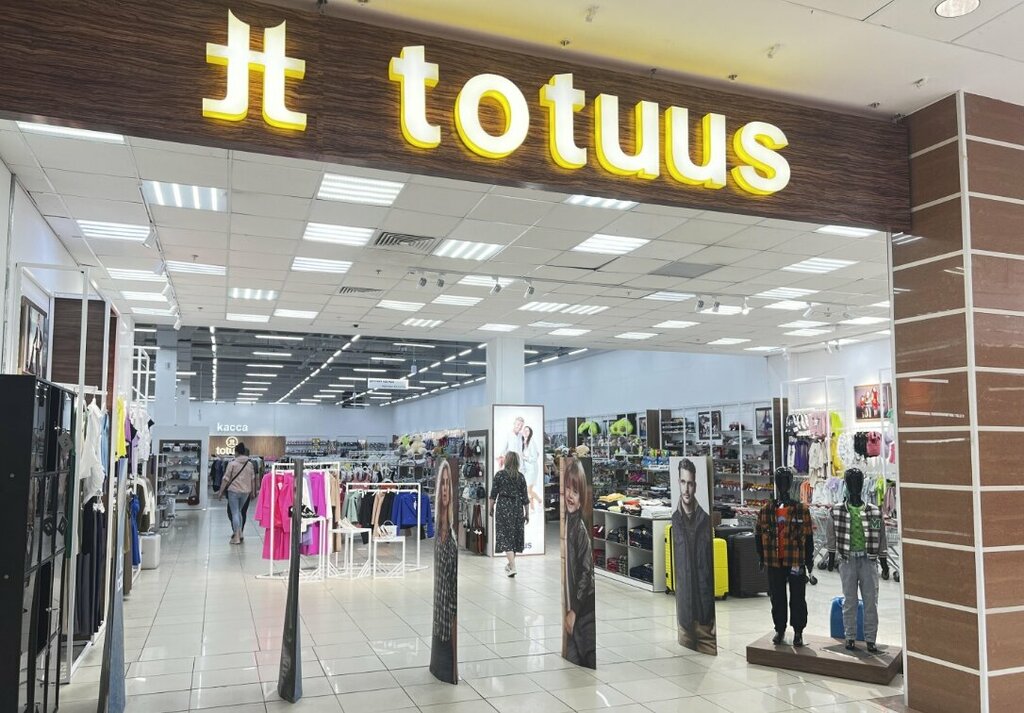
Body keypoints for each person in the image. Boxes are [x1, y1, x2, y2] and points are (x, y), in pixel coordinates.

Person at [672, 458, 716, 654]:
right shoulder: (675, 520)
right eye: (683, 482)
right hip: (684, 619)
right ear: (678, 483)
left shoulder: (705, 520)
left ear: (695, 486)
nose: (686, 489)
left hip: (705, 620)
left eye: (690, 483)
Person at [562, 458, 595, 668]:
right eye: (567, 489)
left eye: (575, 492)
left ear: (582, 498)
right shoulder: (568, 522)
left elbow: (586, 571)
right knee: (575, 653)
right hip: (577, 607)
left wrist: (574, 609)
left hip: (584, 610)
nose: (570, 495)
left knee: (586, 652)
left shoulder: (579, 530)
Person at [430, 460, 458, 683]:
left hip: (448, 632)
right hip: (438, 628)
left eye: (449, 483)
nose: (446, 488)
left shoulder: (452, 538)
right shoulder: (439, 530)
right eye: (443, 483)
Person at [489, 451, 529, 577]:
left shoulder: (500, 475)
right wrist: (527, 513)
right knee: (514, 536)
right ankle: (510, 565)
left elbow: (493, 494)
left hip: (503, 506)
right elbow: (525, 497)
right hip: (517, 507)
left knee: (505, 536)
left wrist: (491, 507)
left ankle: (513, 566)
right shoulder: (520, 477)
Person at [217, 441, 255, 545]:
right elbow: (252, 479)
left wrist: (220, 492)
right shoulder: (250, 464)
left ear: (237, 452)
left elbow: (226, 479)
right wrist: (253, 491)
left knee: (234, 513)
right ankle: (241, 533)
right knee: (239, 512)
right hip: (246, 492)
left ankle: (236, 537)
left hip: (233, 491)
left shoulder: (232, 464)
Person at [521, 425, 543, 513]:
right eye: (524, 430)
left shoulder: (531, 442)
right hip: (527, 469)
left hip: (532, 470)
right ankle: (532, 508)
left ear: (530, 433)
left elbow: (534, 457)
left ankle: (539, 501)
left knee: (528, 489)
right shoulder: (524, 442)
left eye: (527, 431)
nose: (525, 432)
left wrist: (524, 457)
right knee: (528, 490)